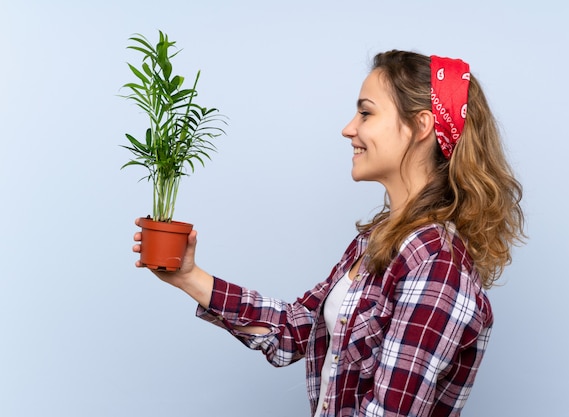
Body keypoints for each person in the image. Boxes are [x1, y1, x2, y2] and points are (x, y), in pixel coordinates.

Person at [132, 50, 525, 416]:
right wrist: (189, 277)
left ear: (420, 125)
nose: (348, 129)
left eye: (366, 114)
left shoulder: (435, 262)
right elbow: (295, 330)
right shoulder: (376, 241)